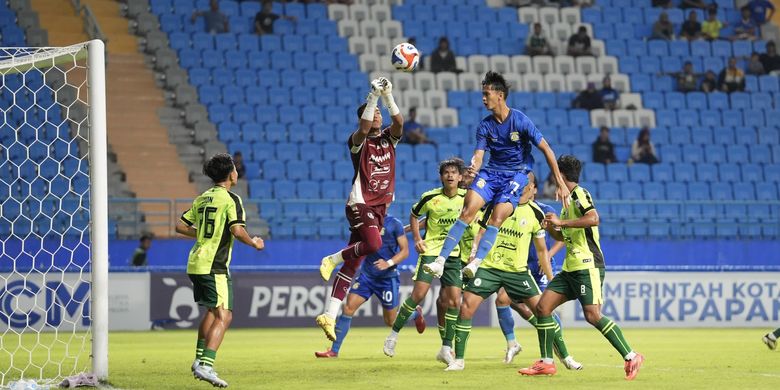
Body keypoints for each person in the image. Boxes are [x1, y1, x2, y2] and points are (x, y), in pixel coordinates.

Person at [421, 71, 569, 303]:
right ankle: (440, 261)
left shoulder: (520, 120)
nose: (483, 98)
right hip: (491, 172)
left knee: (497, 217)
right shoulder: (485, 126)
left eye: (486, 94)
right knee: (468, 210)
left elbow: (547, 149)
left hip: (517, 174)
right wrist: (474, 166)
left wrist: (559, 181)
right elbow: (479, 156)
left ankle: (477, 262)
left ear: (500, 96)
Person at [518, 155, 644, 380]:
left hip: (587, 265)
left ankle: (631, 355)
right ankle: (547, 362)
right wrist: (550, 227)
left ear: (562, 175)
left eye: (556, 174)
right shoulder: (566, 204)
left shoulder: (579, 194)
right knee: (543, 308)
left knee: (592, 315)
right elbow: (565, 235)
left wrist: (561, 222)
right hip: (570, 268)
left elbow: (593, 218)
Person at [443, 181, 579, 372]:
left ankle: (565, 356)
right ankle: (459, 361)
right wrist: (475, 254)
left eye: (527, 183)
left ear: (532, 187)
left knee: (543, 310)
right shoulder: (498, 204)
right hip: (490, 267)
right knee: (466, 306)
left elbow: (542, 251)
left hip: (517, 272)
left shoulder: (537, 213)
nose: (523, 186)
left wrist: (551, 279)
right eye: (521, 183)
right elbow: (482, 232)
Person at [317, 77, 404, 342]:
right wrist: (373, 97)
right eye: (373, 112)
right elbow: (364, 128)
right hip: (361, 203)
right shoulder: (358, 141)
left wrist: (388, 97)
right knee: (374, 243)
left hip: (379, 207)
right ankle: (333, 258)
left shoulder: (390, 140)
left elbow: (399, 123)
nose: (378, 115)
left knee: (354, 263)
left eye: (379, 113)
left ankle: (329, 315)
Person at [176, 153, 265, 387]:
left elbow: (180, 225)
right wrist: (254, 243)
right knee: (225, 316)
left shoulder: (202, 198)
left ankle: (198, 360)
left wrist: (205, 234)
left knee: (212, 312)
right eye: (235, 169)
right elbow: (237, 230)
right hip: (214, 265)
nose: (237, 172)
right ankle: (206, 365)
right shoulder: (231, 199)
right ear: (230, 174)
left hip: (195, 262)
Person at [383, 158, 476, 361]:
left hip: (453, 254)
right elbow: (414, 215)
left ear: (460, 177)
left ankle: (445, 349)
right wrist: (416, 238)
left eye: (454, 172)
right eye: (446, 172)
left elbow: (480, 217)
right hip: (431, 251)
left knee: (454, 301)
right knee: (418, 295)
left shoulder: (467, 197)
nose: (450, 175)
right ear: (441, 177)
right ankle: (393, 336)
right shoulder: (430, 197)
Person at [315, 215, 425, 358]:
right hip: (367, 276)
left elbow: (405, 251)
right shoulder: (366, 223)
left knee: (390, 321)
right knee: (348, 307)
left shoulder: (394, 224)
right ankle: (334, 351)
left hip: (387, 278)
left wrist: (388, 263)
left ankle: (415, 314)